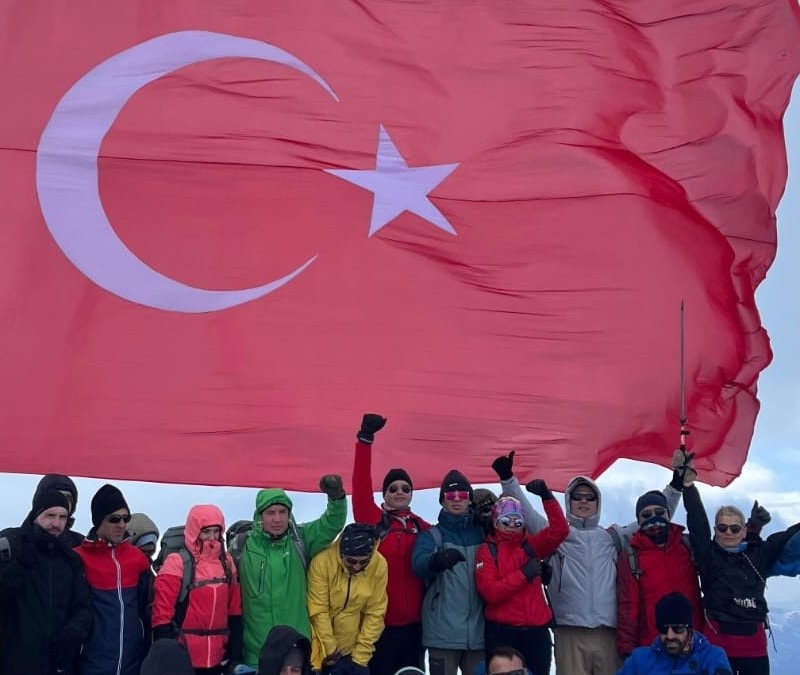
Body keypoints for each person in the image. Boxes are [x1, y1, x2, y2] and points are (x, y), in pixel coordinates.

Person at [493, 450, 685, 675]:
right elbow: (526, 512)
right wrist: (508, 479)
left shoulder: (613, 537)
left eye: (589, 497)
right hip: (569, 632)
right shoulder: (556, 536)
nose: (583, 501)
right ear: (568, 501)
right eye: (577, 497)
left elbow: (654, 518)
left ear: (598, 502)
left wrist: (676, 484)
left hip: (608, 633)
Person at [683, 482, 800, 675]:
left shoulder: (759, 553)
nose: (728, 532)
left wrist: (755, 532)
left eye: (734, 529)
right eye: (722, 528)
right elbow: (697, 523)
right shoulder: (708, 555)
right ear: (715, 530)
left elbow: (788, 538)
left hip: (753, 646)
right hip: (716, 644)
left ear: (744, 531)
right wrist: (688, 487)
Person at [238, 475, 347, 668]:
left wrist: (336, 498)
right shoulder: (241, 547)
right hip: (257, 653)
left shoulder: (301, 540)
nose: (277, 519)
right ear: (259, 515)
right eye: (271, 513)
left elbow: (331, 525)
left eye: (282, 512)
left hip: (296, 650)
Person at [351, 413, 430, 674]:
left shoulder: (423, 528)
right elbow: (361, 487)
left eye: (405, 488)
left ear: (411, 495)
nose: (399, 492)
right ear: (384, 494)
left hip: (415, 627)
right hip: (378, 625)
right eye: (393, 488)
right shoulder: (374, 521)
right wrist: (365, 441)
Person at [475, 486, 569, 675]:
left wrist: (547, 496)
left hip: (536, 632)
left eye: (517, 521)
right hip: (503, 632)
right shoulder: (487, 551)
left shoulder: (531, 546)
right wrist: (524, 575)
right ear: (495, 522)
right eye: (505, 520)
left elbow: (560, 530)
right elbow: (490, 592)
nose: (512, 525)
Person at [0, 488, 92, 675]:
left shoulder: (71, 559)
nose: (56, 524)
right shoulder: (12, 545)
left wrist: (74, 632)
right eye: (50, 515)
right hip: (14, 661)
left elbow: (84, 607)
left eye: (62, 517)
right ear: (36, 514)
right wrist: (19, 567)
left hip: (59, 663)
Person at [151, 504, 243, 675]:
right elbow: (162, 614)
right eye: (206, 532)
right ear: (194, 531)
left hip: (219, 657)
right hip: (183, 657)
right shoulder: (177, 562)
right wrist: (168, 654)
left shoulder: (227, 563)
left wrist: (235, 651)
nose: (212, 537)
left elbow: (234, 608)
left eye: (216, 531)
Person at [412, 469, 485, 675]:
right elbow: (418, 565)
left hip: (478, 635)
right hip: (442, 633)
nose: (456, 499)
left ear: (470, 500)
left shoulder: (483, 533)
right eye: (450, 495)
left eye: (462, 495)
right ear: (442, 501)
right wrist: (436, 561)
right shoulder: (432, 536)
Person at [616, 487, 703, 659]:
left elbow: (704, 529)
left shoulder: (686, 545)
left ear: (668, 514)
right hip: (653, 647)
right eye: (646, 515)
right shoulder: (631, 555)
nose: (654, 518)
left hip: (693, 643)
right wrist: (627, 649)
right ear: (638, 521)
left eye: (659, 512)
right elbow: (628, 605)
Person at [75, 483, 152, 675]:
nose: (122, 525)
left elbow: (148, 607)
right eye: (114, 519)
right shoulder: (78, 558)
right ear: (99, 520)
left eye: (126, 518)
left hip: (132, 663)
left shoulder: (137, 559)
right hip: (91, 664)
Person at [307, 523, 389, 674]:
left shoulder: (379, 564)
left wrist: (360, 658)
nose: (357, 567)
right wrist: (331, 651)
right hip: (321, 648)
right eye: (351, 561)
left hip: (353, 648)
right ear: (341, 553)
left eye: (363, 562)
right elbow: (318, 610)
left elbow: (375, 613)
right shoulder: (322, 562)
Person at [617, 592, 732, 675]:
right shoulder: (639, 660)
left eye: (678, 629)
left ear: (690, 629)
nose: (670, 636)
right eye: (663, 629)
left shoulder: (712, 657)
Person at [33, 473, 84, 546]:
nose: (63, 501)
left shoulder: (80, 545)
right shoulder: (13, 544)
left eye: (68, 498)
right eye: (57, 495)